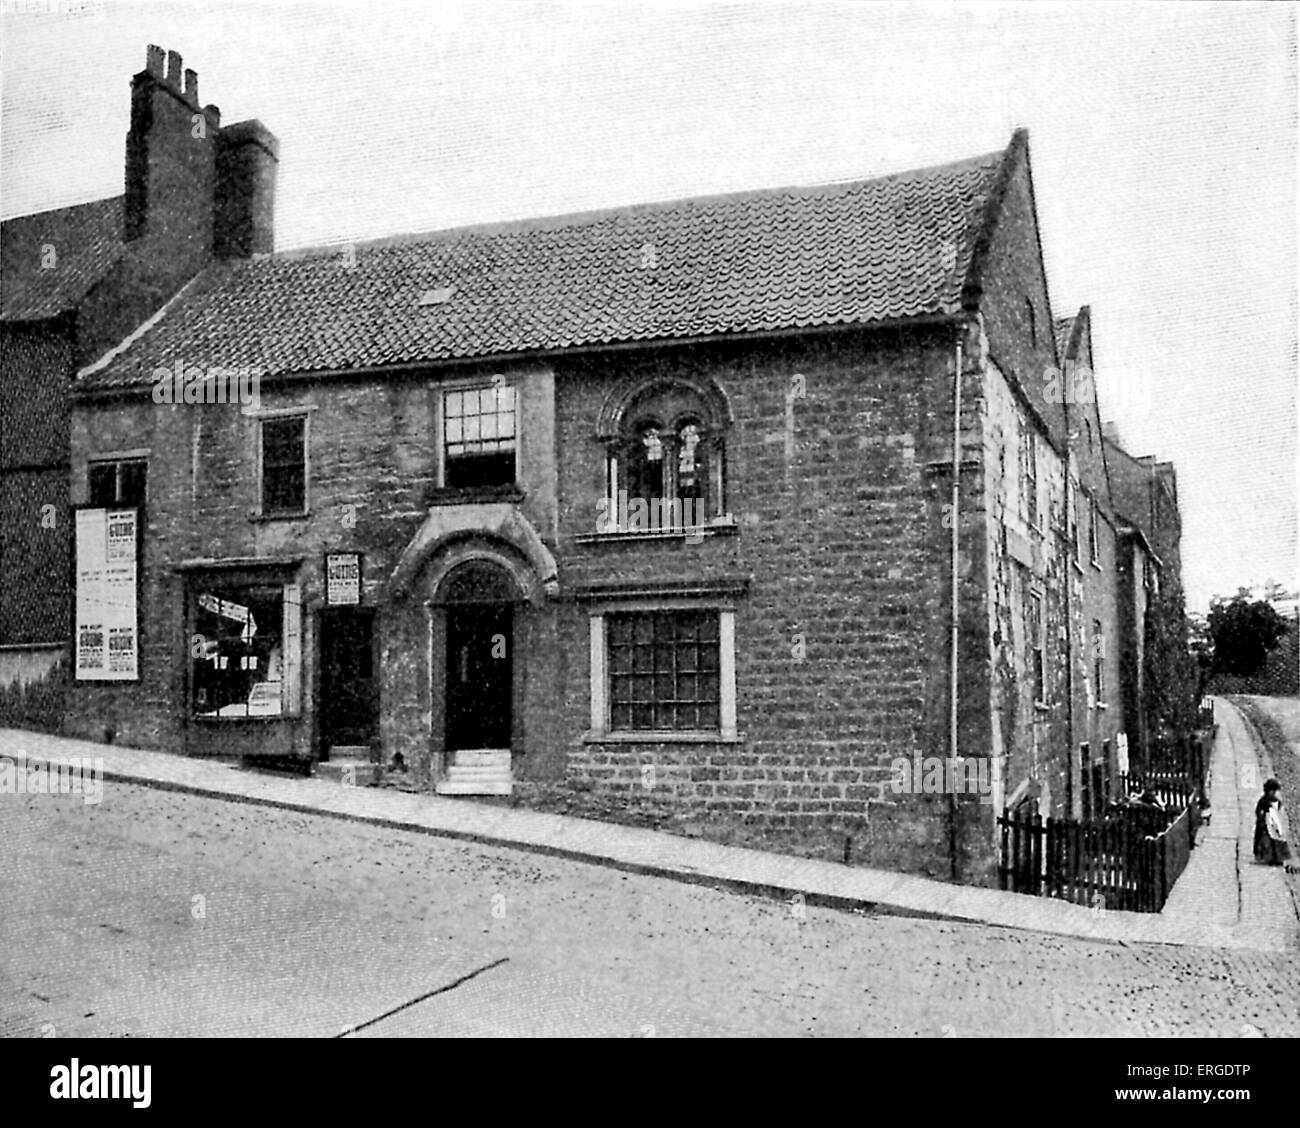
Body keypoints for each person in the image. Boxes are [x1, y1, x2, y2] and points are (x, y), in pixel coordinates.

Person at [1254, 778, 1282, 862]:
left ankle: (1276, 857)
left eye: (1274, 791)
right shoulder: (1263, 801)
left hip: (1273, 824)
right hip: (1264, 825)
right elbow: (1258, 811)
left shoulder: (1276, 801)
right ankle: (1265, 856)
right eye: (1272, 791)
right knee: (1264, 841)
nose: (1273, 793)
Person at [1260, 794, 1291, 867]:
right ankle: (1277, 859)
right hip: (1274, 831)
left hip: (1275, 831)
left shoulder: (1273, 810)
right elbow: (1275, 822)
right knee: (1277, 845)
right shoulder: (1272, 811)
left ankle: (1276, 859)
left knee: (1276, 845)